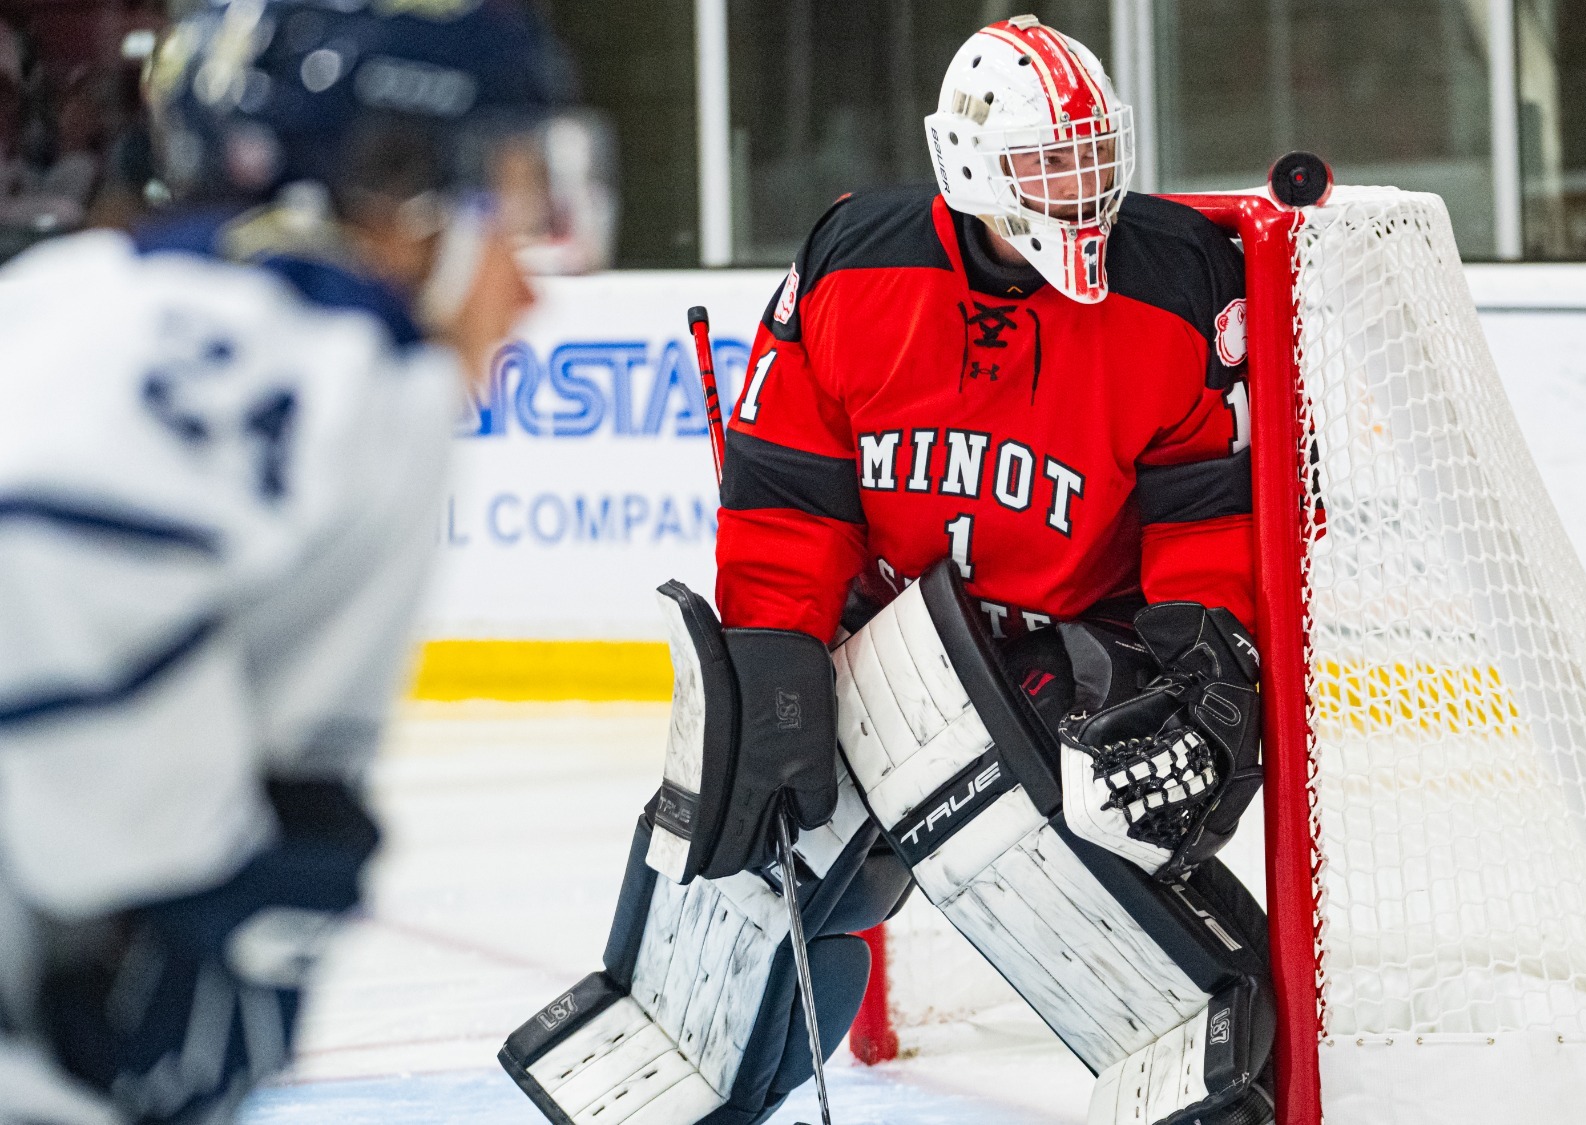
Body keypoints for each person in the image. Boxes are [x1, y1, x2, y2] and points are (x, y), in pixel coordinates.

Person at [501, 16, 1272, 1125]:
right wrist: (774, 675)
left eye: (1091, 153)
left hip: (1078, 646)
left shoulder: (1176, 284)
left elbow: (1201, 516)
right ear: (965, 162)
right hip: (893, 632)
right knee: (742, 842)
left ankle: (1191, 1073)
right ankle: (674, 1075)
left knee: (1027, 828)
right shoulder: (856, 261)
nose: (1080, 184)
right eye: (1046, 161)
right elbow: (787, 504)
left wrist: (1205, 671)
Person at [0, 1, 612, 1122]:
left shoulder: (88, 287)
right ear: (400, 182)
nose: (529, 285)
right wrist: (188, 875)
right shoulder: (329, 344)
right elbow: (42, 560)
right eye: (517, 196)